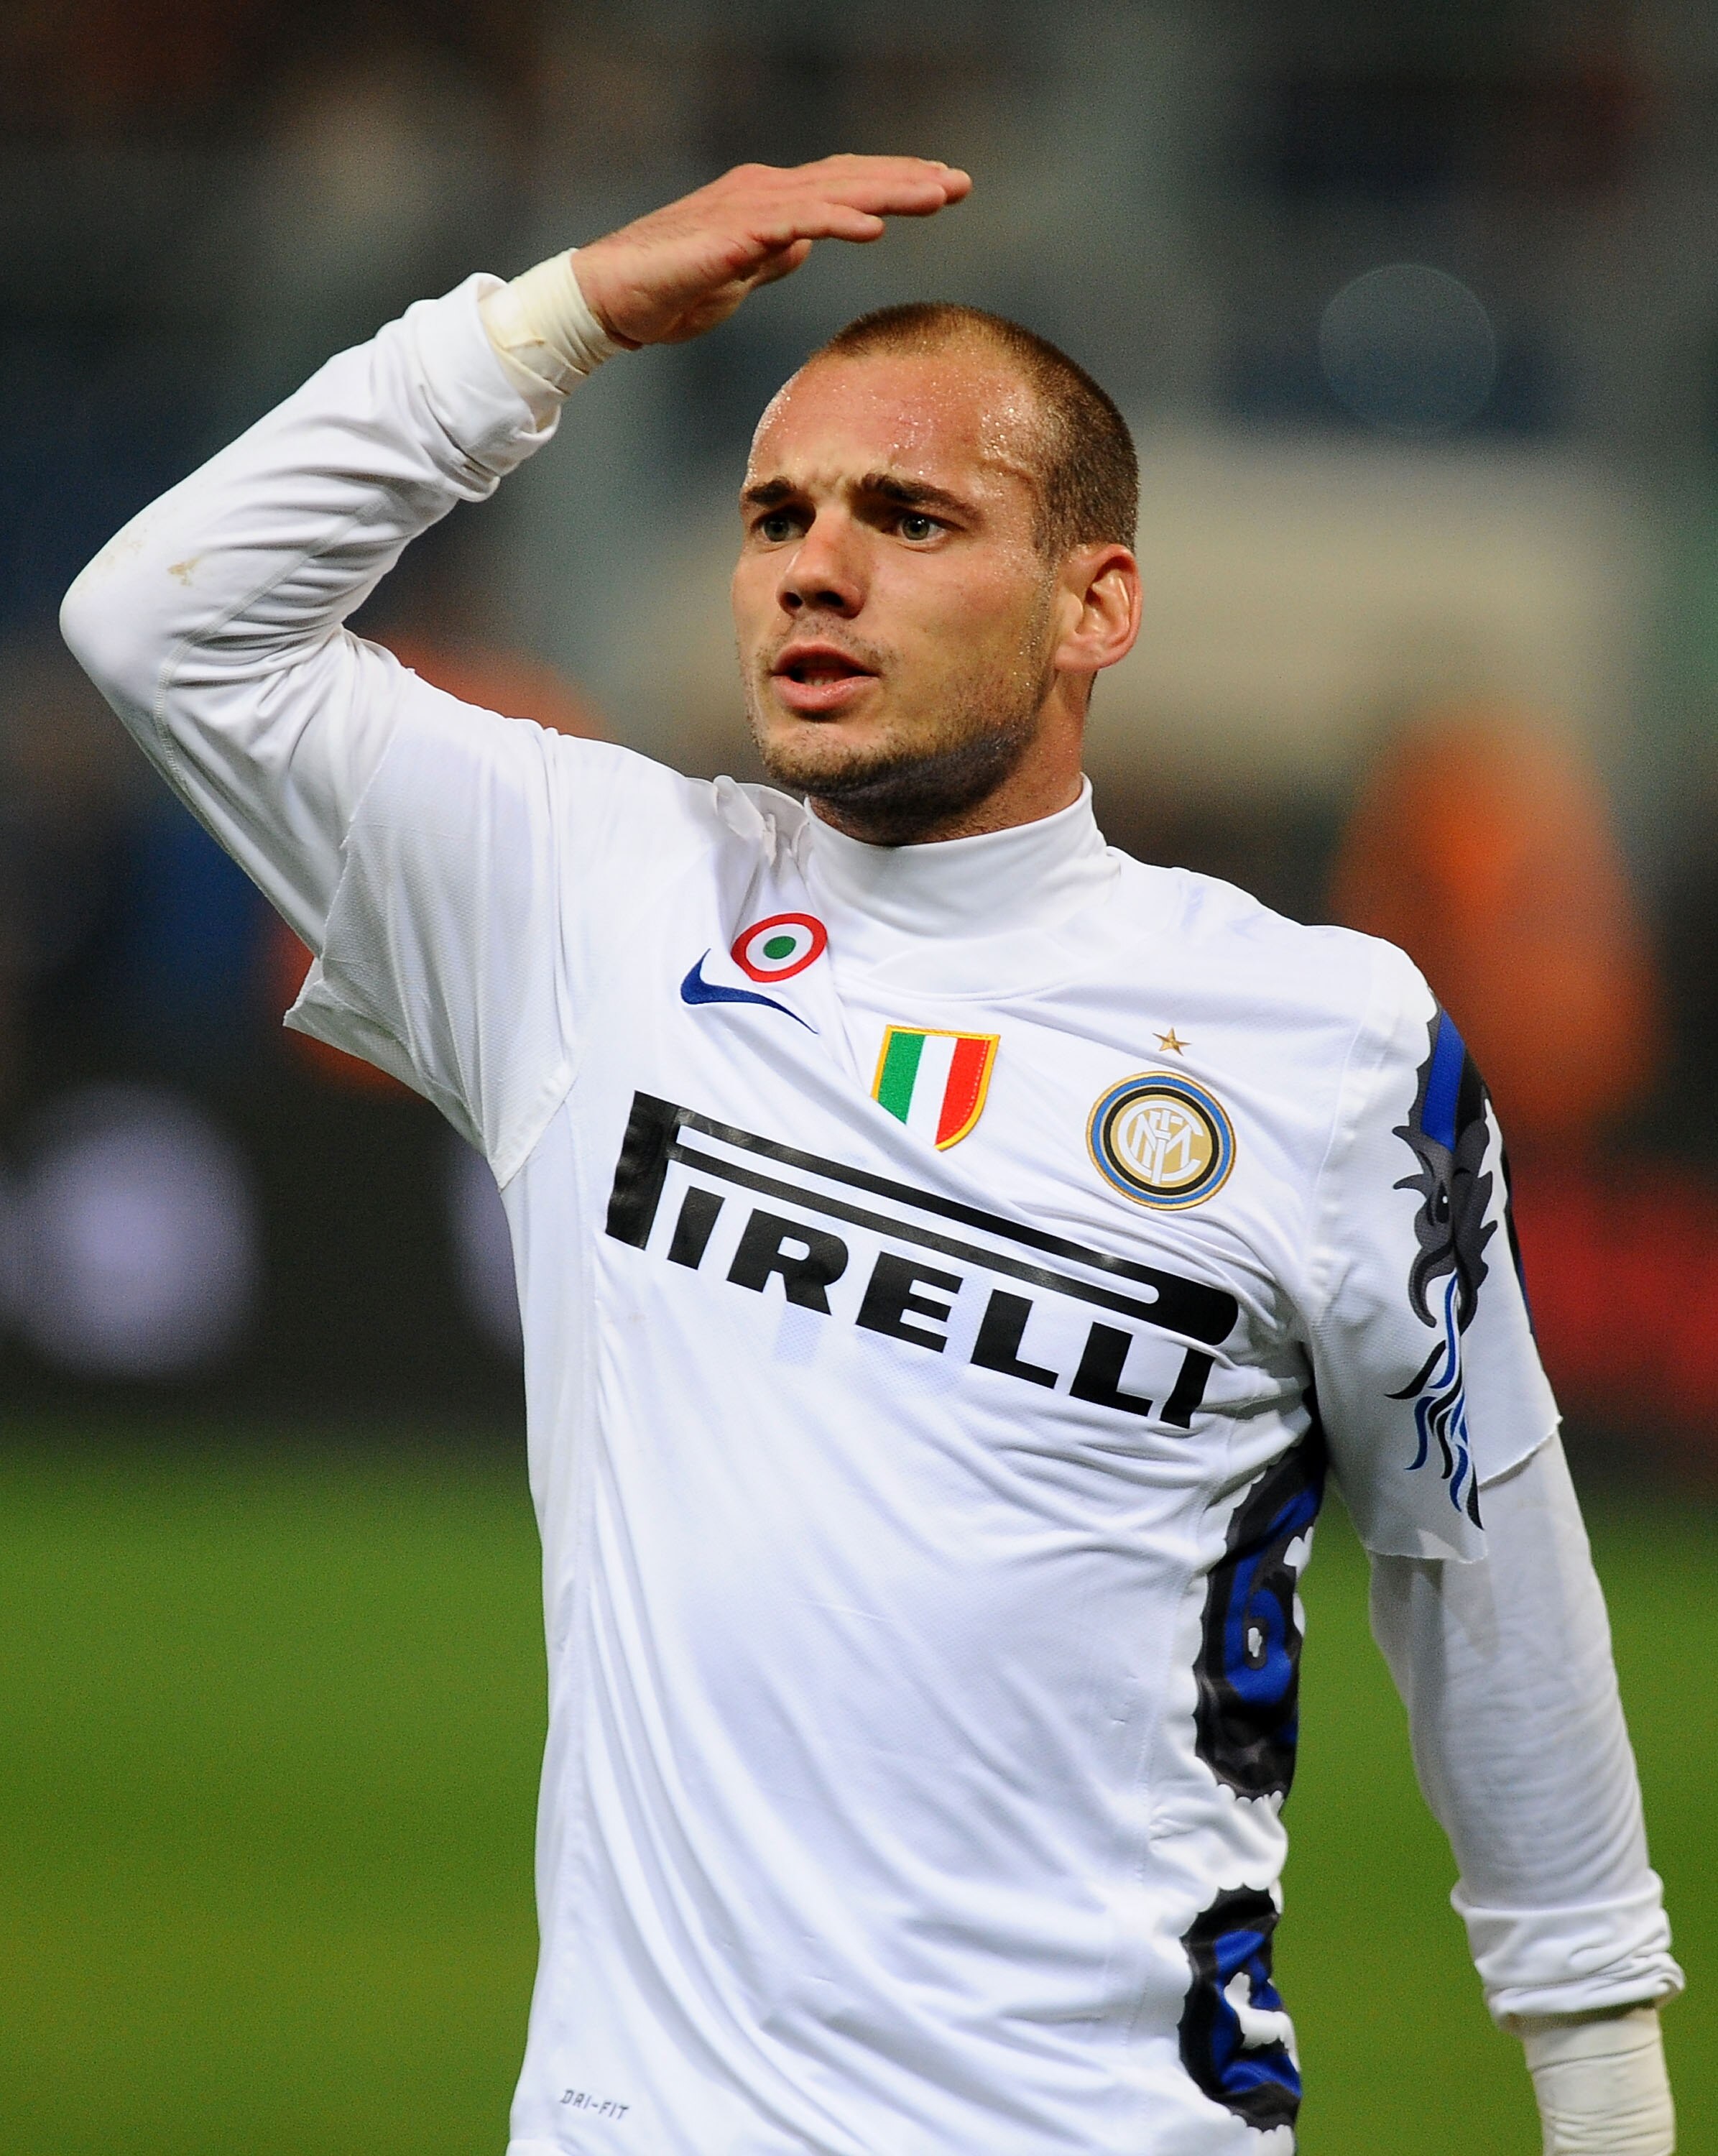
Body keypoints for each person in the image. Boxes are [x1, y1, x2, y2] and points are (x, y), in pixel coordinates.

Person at [62, 157, 1678, 2155]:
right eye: (773, 517)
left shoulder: (1330, 1046)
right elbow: (162, 623)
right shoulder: (596, 903)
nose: (814, 568)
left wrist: (1602, 2092)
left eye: (910, 518)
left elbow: (1484, 1575)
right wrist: (553, 321)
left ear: (1100, 602)